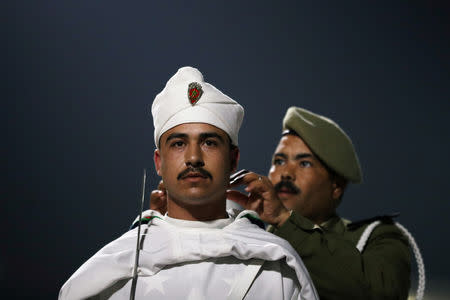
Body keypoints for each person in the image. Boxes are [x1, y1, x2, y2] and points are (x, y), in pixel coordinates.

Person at [59, 68, 318, 300]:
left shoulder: (279, 264)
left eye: (209, 143)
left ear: (233, 159)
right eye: (179, 144)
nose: (194, 158)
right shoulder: (107, 273)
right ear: (159, 162)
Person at [149, 106, 413, 299]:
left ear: (336, 186)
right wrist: (173, 228)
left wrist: (285, 221)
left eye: (304, 162)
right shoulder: (249, 237)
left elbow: (380, 293)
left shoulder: (376, 238)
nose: (285, 173)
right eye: (279, 161)